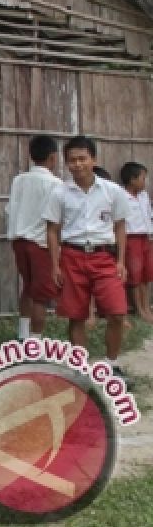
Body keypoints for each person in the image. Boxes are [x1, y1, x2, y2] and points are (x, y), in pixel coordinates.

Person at [44, 135, 130, 376]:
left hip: (104, 257)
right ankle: (81, 368)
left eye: (82, 159)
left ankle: (112, 364)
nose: (77, 164)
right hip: (71, 256)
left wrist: (121, 261)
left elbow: (121, 226)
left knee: (117, 312)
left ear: (94, 159)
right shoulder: (59, 193)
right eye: (72, 160)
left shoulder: (113, 192)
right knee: (76, 315)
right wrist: (54, 265)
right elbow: (52, 230)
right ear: (65, 162)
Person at [5, 134, 63, 339]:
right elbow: (57, 219)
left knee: (28, 287)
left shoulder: (19, 180)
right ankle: (35, 342)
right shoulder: (56, 184)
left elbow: (10, 209)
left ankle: (22, 334)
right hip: (41, 244)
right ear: (53, 157)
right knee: (40, 296)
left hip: (19, 241)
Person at [120, 162, 153, 322]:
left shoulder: (144, 196)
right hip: (131, 239)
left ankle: (147, 307)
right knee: (135, 276)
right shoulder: (121, 196)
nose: (144, 181)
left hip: (146, 238)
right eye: (142, 178)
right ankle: (139, 309)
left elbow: (149, 216)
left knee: (147, 276)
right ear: (132, 180)